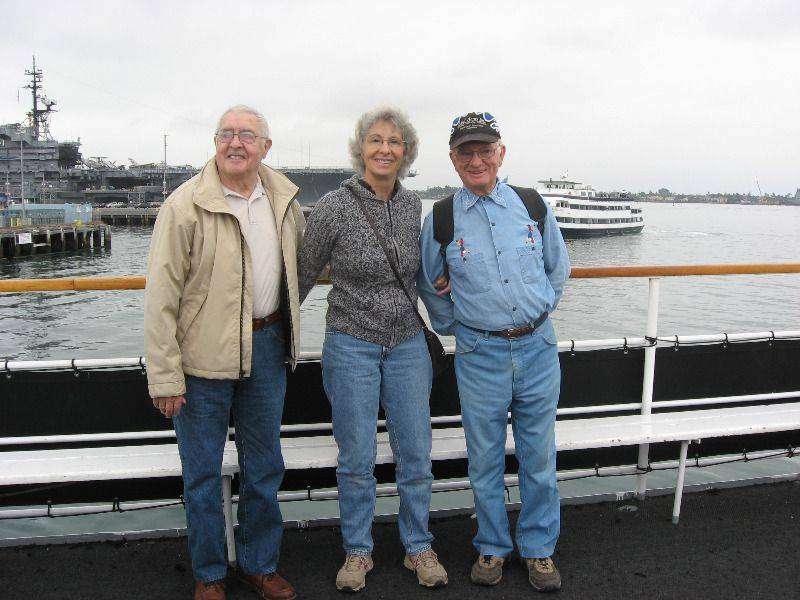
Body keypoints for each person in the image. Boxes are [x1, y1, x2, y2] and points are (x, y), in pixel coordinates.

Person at [144, 105, 305, 600]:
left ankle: (260, 564)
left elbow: (301, 265)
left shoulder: (284, 200)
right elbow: (161, 297)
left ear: (265, 147)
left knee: (264, 467)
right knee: (202, 474)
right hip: (201, 358)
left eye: (248, 135)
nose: (237, 143)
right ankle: (210, 574)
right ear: (215, 142)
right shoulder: (184, 205)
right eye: (227, 134)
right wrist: (165, 376)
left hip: (267, 347)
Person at [418, 112, 570, 592]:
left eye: (485, 150)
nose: (476, 160)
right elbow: (429, 284)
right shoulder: (442, 218)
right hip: (479, 354)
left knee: (538, 457)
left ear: (501, 153)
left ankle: (539, 549)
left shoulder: (531, 205)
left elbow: (558, 269)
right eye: (466, 152)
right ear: (453, 160)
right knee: (484, 459)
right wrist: (461, 326)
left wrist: (535, 313)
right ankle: (492, 546)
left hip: (538, 349)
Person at [298, 106, 448, 593]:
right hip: (351, 344)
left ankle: (418, 546)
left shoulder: (412, 205)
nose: (385, 149)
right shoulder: (334, 206)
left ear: (406, 152)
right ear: (360, 149)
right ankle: (358, 551)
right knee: (357, 457)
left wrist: (446, 283)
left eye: (394, 142)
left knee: (416, 453)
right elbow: (301, 274)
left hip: (407, 343)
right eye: (376, 140)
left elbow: (421, 269)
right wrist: (269, 333)